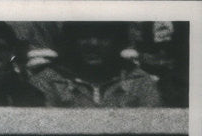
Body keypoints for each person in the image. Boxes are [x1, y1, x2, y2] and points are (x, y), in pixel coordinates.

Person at [30, 21, 162, 108]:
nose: (93, 44)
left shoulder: (139, 82)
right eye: (83, 36)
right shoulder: (48, 82)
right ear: (71, 40)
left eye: (103, 37)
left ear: (118, 41)